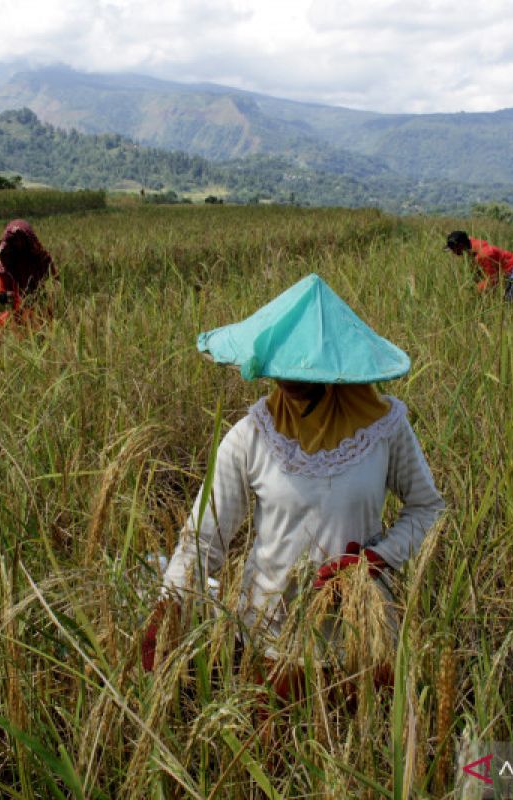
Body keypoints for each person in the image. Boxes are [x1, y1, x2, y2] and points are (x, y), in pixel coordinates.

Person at [141, 274, 445, 699]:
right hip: (272, 639)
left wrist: (375, 559)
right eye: (281, 367)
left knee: (367, 752)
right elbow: (202, 541)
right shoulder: (251, 437)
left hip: (363, 638)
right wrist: (168, 607)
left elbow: (426, 507)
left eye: (305, 368)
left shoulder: (383, 428)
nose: (290, 379)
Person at [0, 219, 57, 327]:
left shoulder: (41, 259)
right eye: (15, 239)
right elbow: (1, 295)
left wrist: (44, 293)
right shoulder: (5, 264)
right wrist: (7, 296)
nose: (19, 243)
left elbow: (55, 281)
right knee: (0, 326)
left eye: (22, 239)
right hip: (16, 314)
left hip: (41, 311)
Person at [444, 230, 513, 301]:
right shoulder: (469, 244)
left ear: (460, 246)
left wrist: (475, 291)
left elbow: (493, 279)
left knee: (507, 301)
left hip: (512, 271)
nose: (453, 252)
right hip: (500, 270)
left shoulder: (484, 255)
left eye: (453, 249)